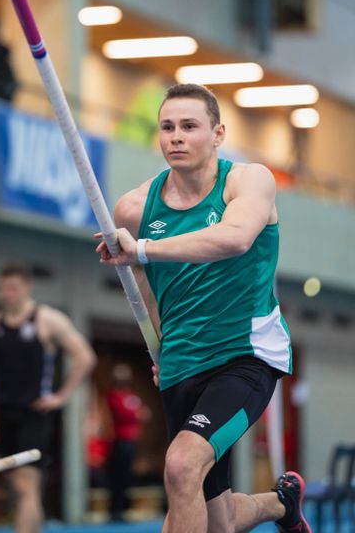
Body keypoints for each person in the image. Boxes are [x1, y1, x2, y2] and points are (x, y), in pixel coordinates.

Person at [95, 83, 311, 533]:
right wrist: (161, 346)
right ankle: (281, 505)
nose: (176, 136)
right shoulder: (135, 208)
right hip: (182, 364)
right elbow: (145, 288)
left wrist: (146, 250)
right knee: (220, 520)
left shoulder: (248, 180)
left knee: (180, 466)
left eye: (189, 126)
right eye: (167, 127)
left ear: (217, 133)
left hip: (244, 357)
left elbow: (235, 238)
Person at [0, 262, 96, 533]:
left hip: (35, 412)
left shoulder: (47, 320)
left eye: (13, 289)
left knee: (25, 482)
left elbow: (85, 357)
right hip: (4, 411)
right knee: (17, 485)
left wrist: (61, 397)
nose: (7, 294)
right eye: (3, 289)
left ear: (26, 288)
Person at [105, 363, 148, 522]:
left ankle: (123, 506)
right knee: (118, 475)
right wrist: (137, 414)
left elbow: (143, 412)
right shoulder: (113, 395)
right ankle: (115, 509)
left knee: (128, 475)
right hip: (120, 439)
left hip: (133, 439)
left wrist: (138, 414)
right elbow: (125, 414)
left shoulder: (131, 394)